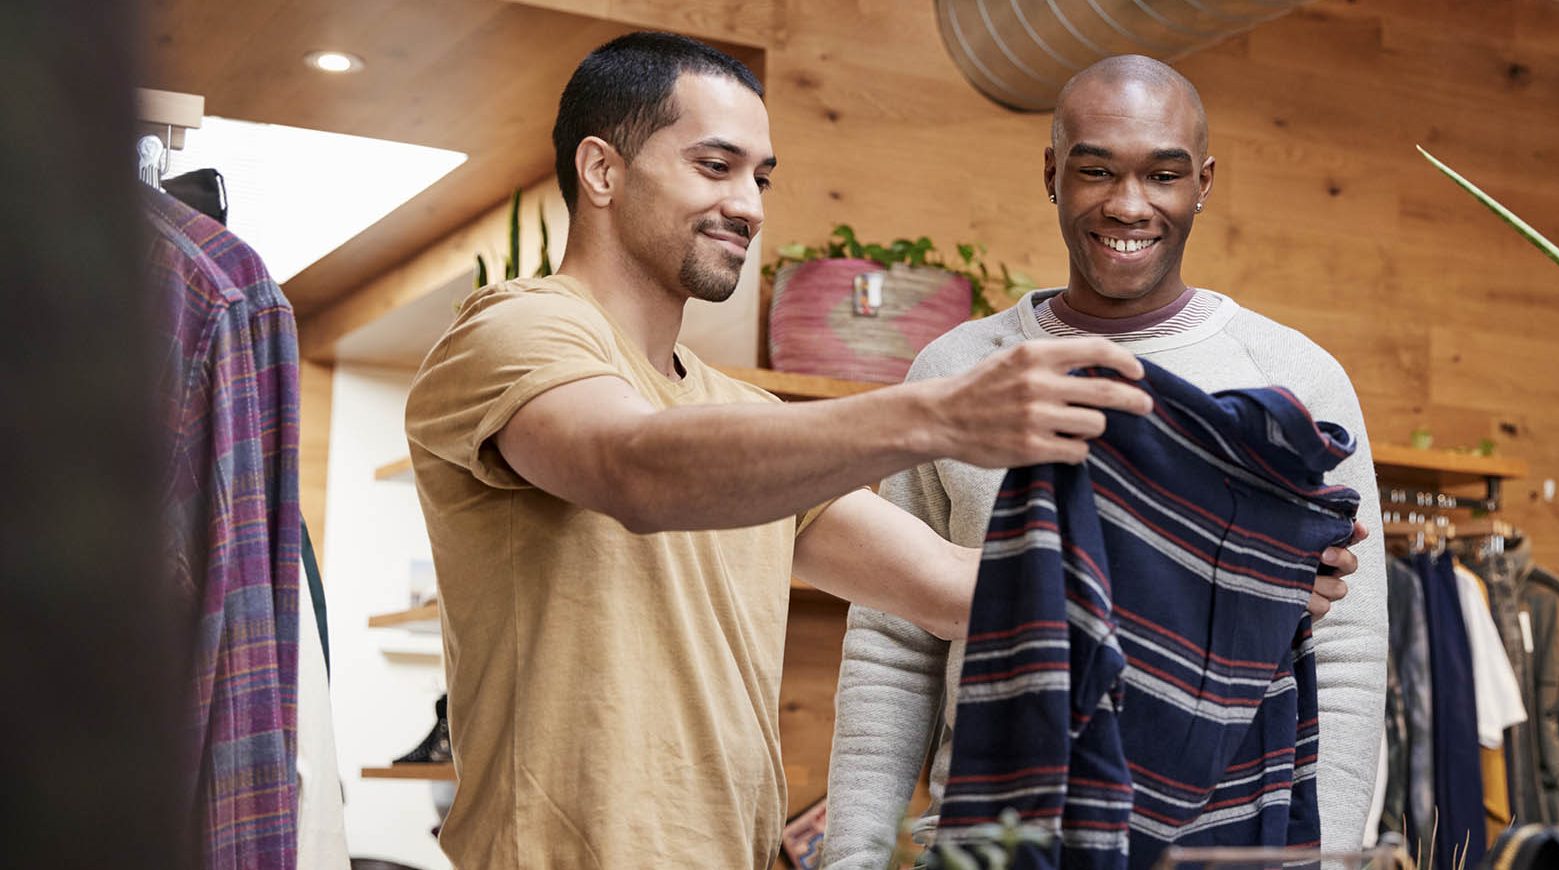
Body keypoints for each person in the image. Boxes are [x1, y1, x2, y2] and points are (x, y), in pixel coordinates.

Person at [402, 32, 1166, 868]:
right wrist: (935, 416)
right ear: (602, 171)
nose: (752, 205)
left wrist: (1233, 571)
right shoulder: (515, 329)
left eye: (760, 177)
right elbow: (634, 466)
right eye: (715, 165)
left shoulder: (742, 419)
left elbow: (956, 593)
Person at [820, 55, 1388, 866]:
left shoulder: (1292, 382)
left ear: (1205, 182)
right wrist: (857, 856)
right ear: (1053, 173)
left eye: (1163, 174)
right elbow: (892, 644)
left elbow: (1349, 654)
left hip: (1228, 848)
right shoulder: (958, 373)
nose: (1129, 205)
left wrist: (1324, 857)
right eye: (1096, 171)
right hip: (998, 838)